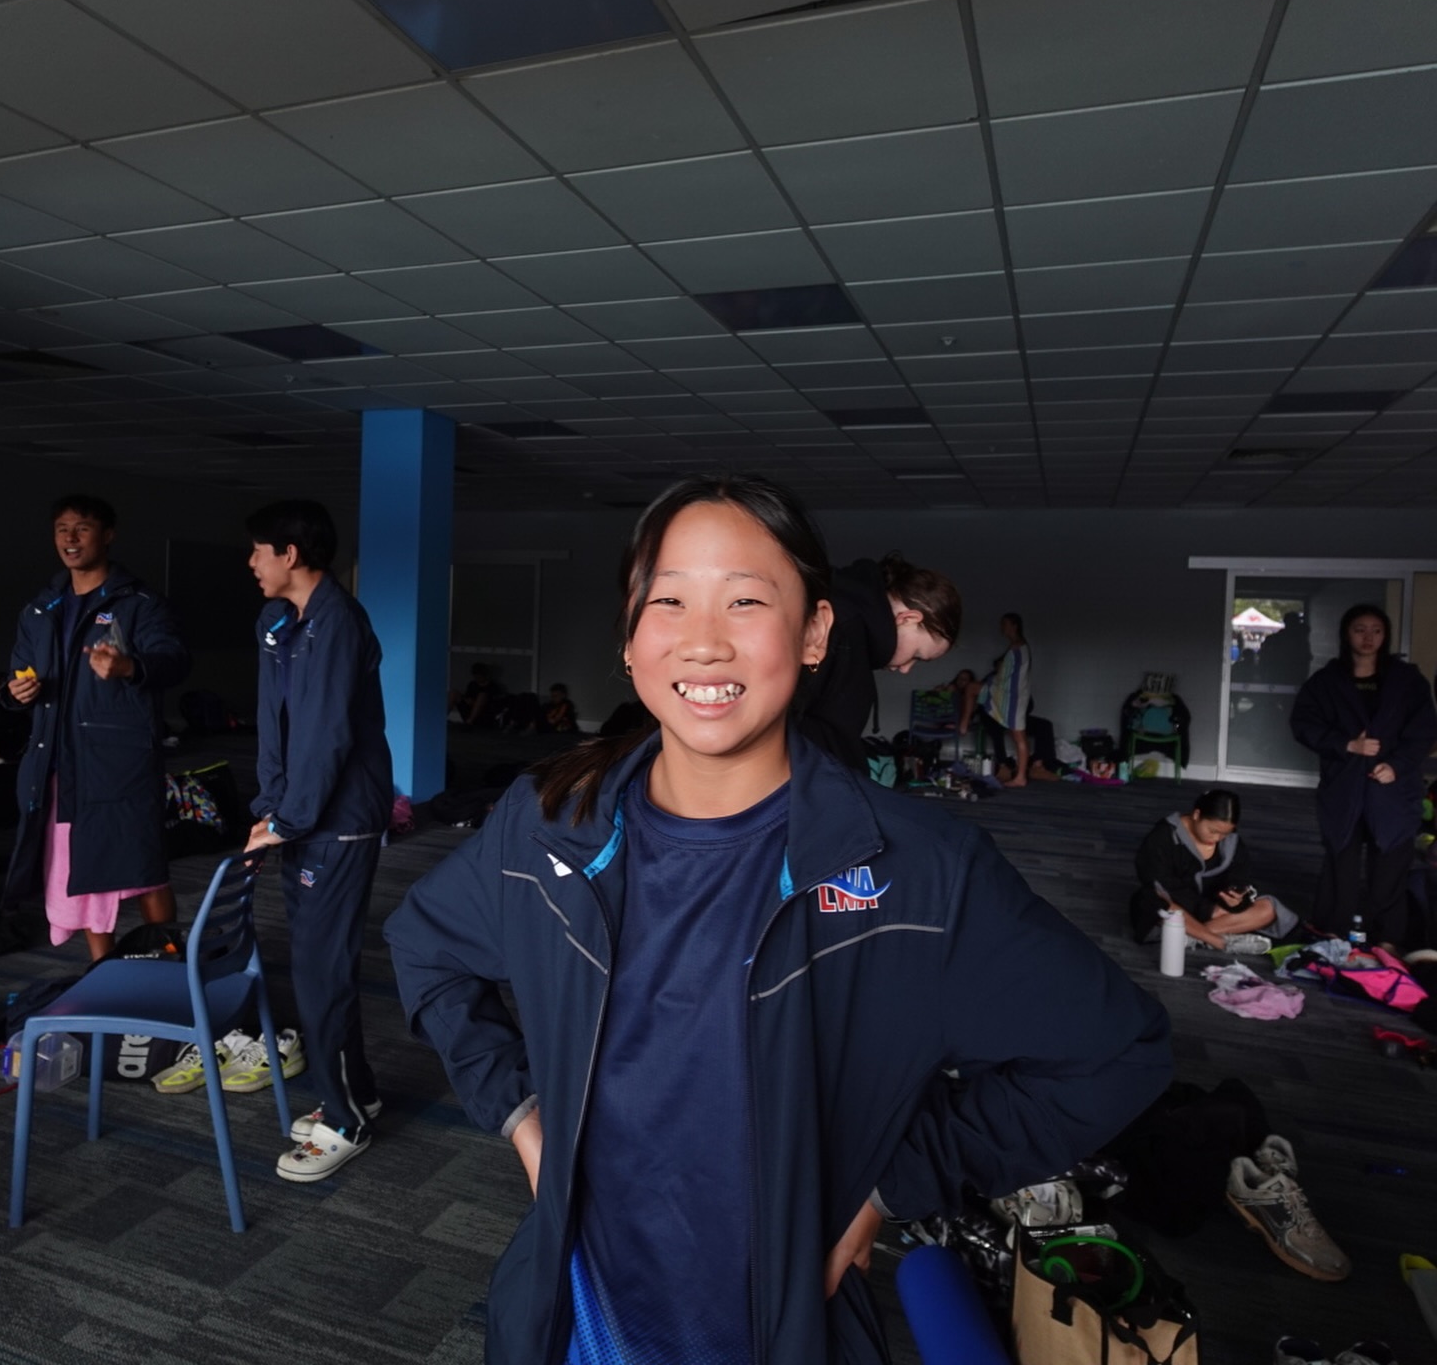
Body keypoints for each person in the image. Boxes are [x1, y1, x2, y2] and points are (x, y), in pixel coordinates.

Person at [384, 474, 1171, 1365]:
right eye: (669, 601)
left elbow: (1115, 1051)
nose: (705, 642)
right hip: (575, 1319)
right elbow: (426, 946)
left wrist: (891, 1187)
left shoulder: (919, 872)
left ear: (814, 635)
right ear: (633, 641)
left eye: (747, 601)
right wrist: (523, 1116)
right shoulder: (546, 823)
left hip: (780, 1322)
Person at [243, 500, 394, 1183]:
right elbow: (277, 728)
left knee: (319, 973)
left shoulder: (337, 624)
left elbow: (328, 736)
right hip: (304, 820)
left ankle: (344, 1119)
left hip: (338, 824)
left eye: (259, 551)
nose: (251, 563)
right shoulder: (289, 624)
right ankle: (356, 1090)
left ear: (290, 556)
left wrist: (290, 819)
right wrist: (271, 809)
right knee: (318, 967)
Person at [1, 495, 188, 962]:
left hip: (118, 765)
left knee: (145, 869)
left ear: (107, 535)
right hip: (57, 764)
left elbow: (174, 661)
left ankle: (169, 962)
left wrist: (129, 666)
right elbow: (16, 674)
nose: (70, 538)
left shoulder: (138, 604)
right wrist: (12, 693)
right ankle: (102, 974)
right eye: (62, 528)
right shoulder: (41, 609)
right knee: (74, 871)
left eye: (82, 528)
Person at [1291, 603, 1437, 949]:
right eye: (1360, 629)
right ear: (1346, 634)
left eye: (1376, 630)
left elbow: (1424, 730)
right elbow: (1304, 724)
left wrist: (1397, 765)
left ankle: (1385, 939)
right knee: (1341, 858)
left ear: (1385, 636)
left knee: (1390, 863)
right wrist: (1346, 745)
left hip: (1393, 788)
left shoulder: (1407, 681)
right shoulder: (1327, 681)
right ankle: (1331, 932)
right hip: (1345, 786)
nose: (1368, 637)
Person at [797, 551, 962, 772]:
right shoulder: (840, 627)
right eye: (916, 656)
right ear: (908, 619)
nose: (905, 669)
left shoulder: (847, 616)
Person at [1130, 789, 1298, 948]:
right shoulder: (1164, 837)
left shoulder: (1232, 842)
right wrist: (1208, 910)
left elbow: (1240, 877)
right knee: (1150, 900)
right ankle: (1220, 942)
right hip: (1179, 905)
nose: (1217, 838)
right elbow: (1161, 884)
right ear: (1196, 815)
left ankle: (1191, 936)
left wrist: (1236, 898)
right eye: (1213, 831)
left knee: (1267, 908)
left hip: (1214, 909)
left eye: (1224, 834)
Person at [960, 613, 1034, 786]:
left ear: (1014, 625)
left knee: (1019, 737)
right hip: (1003, 692)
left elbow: (1010, 674)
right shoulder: (1014, 646)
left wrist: (996, 677)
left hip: (1012, 696)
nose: (1002, 628)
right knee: (971, 688)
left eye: (1005, 624)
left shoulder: (1019, 646)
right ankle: (964, 725)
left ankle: (1021, 777)